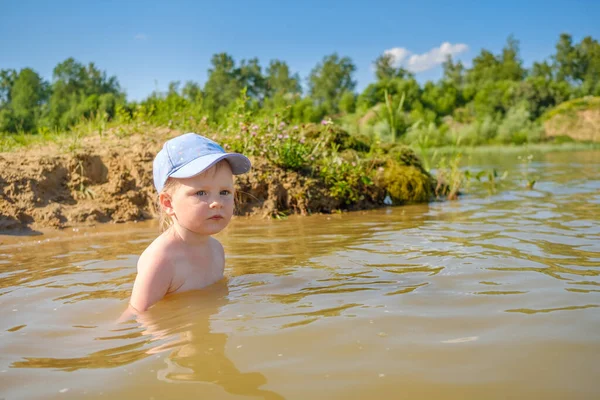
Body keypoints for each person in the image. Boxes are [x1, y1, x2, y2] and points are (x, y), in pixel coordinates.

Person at [127, 132, 251, 312]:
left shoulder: (216, 250)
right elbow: (136, 316)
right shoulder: (162, 261)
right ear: (168, 203)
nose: (216, 202)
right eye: (201, 193)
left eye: (224, 192)